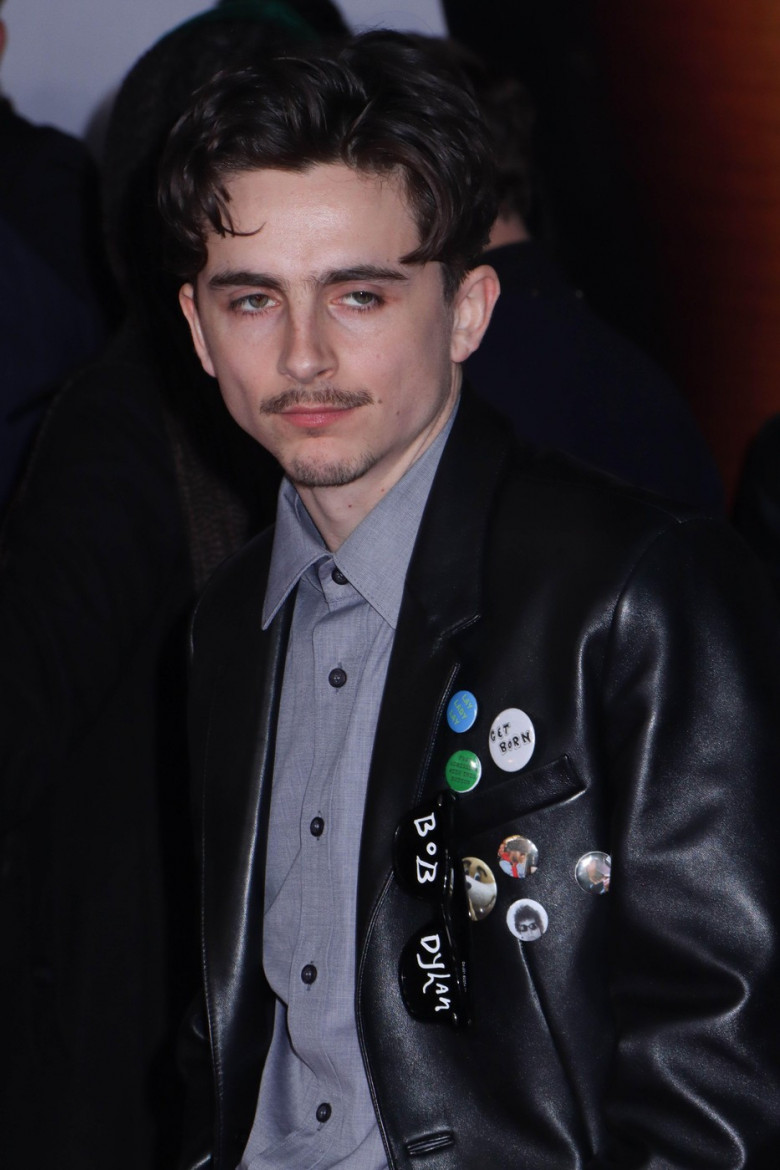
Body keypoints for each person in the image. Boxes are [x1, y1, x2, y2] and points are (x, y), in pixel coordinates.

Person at [159, 30, 780, 1169]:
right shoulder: (226, 623)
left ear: (466, 310)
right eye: (254, 300)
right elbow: (224, 1046)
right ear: (198, 330)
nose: (302, 357)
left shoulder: (637, 593)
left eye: (358, 296)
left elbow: (724, 1074)